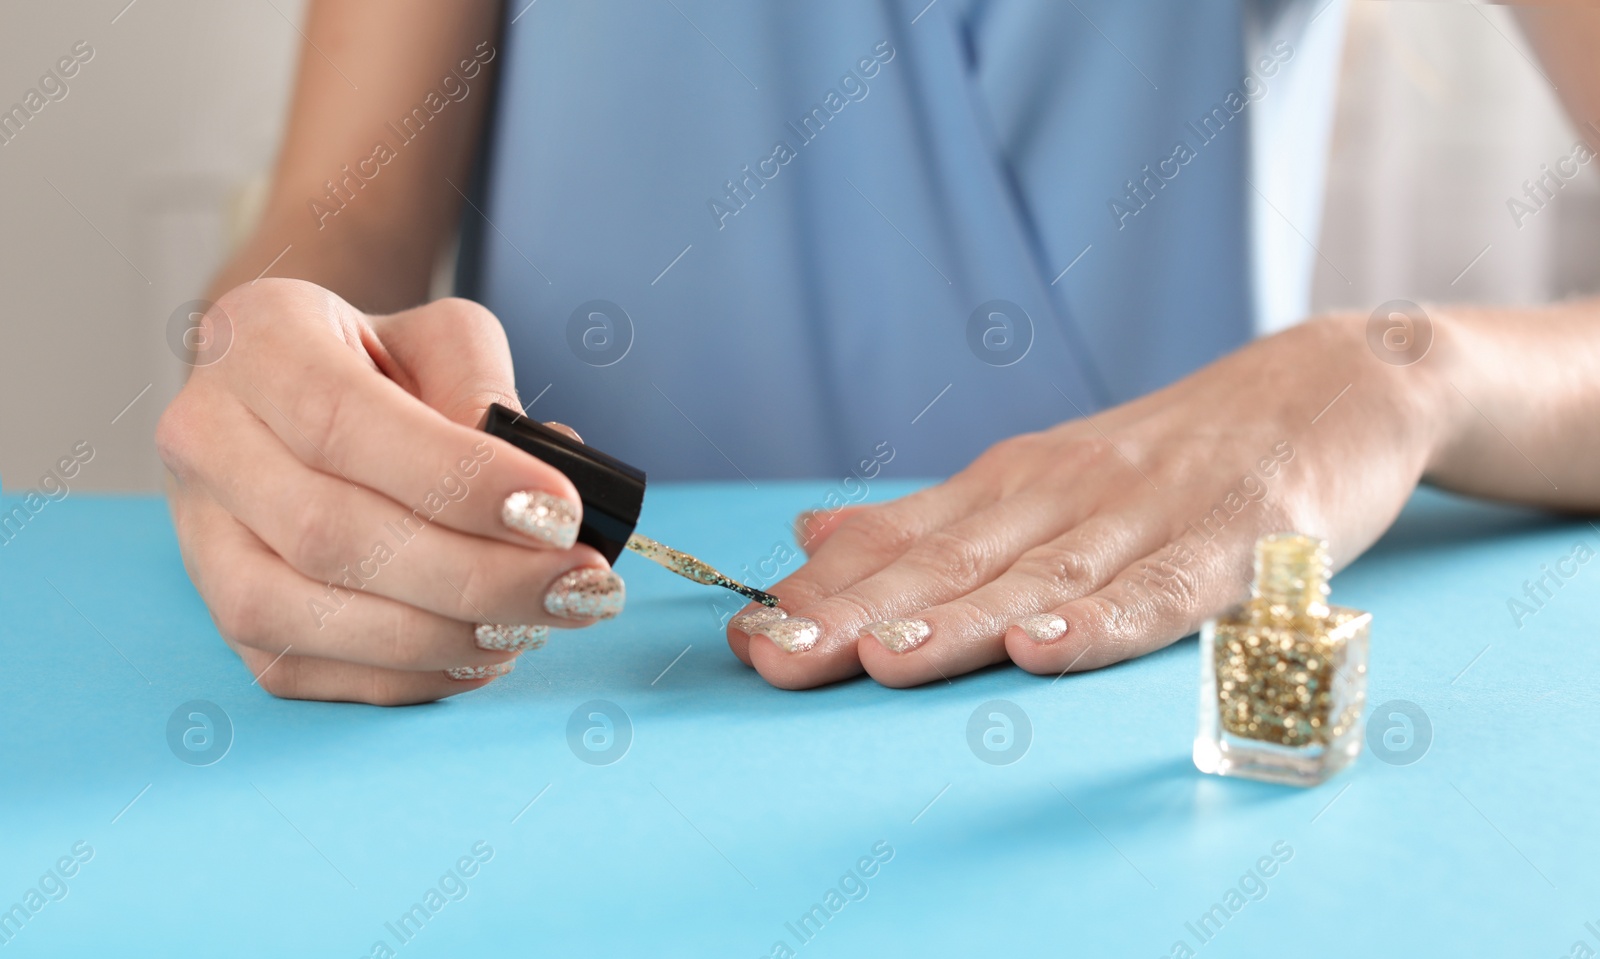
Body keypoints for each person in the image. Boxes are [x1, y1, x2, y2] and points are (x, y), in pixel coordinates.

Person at [157, 0, 1600, 705]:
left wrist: (1400, 371)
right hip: (546, 693)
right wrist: (281, 381)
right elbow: (337, 223)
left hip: (1142, 684)